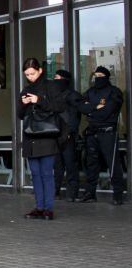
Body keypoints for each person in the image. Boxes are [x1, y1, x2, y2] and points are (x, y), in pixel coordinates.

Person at [17, 58, 65, 220]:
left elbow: (59, 107)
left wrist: (39, 101)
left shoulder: (51, 86)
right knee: (35, 174)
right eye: (27, 74)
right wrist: (24, 104)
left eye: (32, 73)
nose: (30, 77)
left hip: (47, 135)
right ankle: (39, 207)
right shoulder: (25, 89)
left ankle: (48, 208)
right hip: (31, 136)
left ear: (40, 71)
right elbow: (20, 115)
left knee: (46, 173)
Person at [77, 66, 125, 205]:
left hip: (108, 133)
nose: (97, 78)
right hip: (92, 133)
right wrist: (94, 108)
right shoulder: (90, 91)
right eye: (95, 75)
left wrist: (91, 111)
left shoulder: (114, 92)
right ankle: (90, 193)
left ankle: (117, 195)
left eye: (100, 75)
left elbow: (108, 111)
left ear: (106, 76)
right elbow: (80, 106)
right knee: (91, 164)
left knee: (113, 163)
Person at [53, 70, 82, 202]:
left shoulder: (73, 96)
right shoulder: (54, 96)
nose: (55, 80)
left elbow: (75, 116)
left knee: (70, 164)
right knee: (57, 165)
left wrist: (70, 132)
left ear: (64, 80)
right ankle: (55, 191)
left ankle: (72, 193)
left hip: (67, 136)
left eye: (57, 78)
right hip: (55, 135)